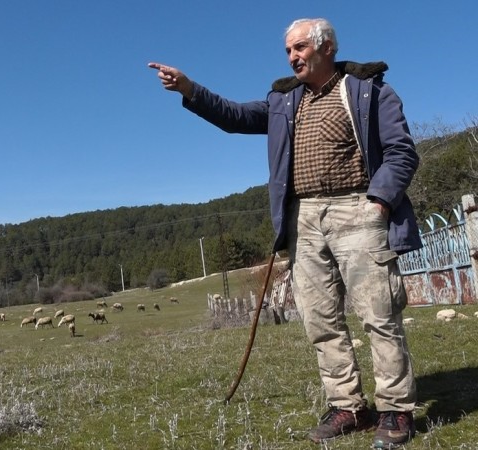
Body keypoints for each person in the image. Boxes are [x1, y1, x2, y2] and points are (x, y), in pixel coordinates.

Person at [149, 18, 420, 448]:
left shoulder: (371, 91)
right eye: (288, 51)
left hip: (358, 208)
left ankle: (395, 410)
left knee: (379, 314)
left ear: (326, 47)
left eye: (299, 48)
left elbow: (402, 152)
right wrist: (189, 89)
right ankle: (348, 405)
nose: (292, 56)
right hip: (304, 220)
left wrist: (379, 202)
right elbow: (234, 116)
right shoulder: (283, 102)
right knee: (320, 319)